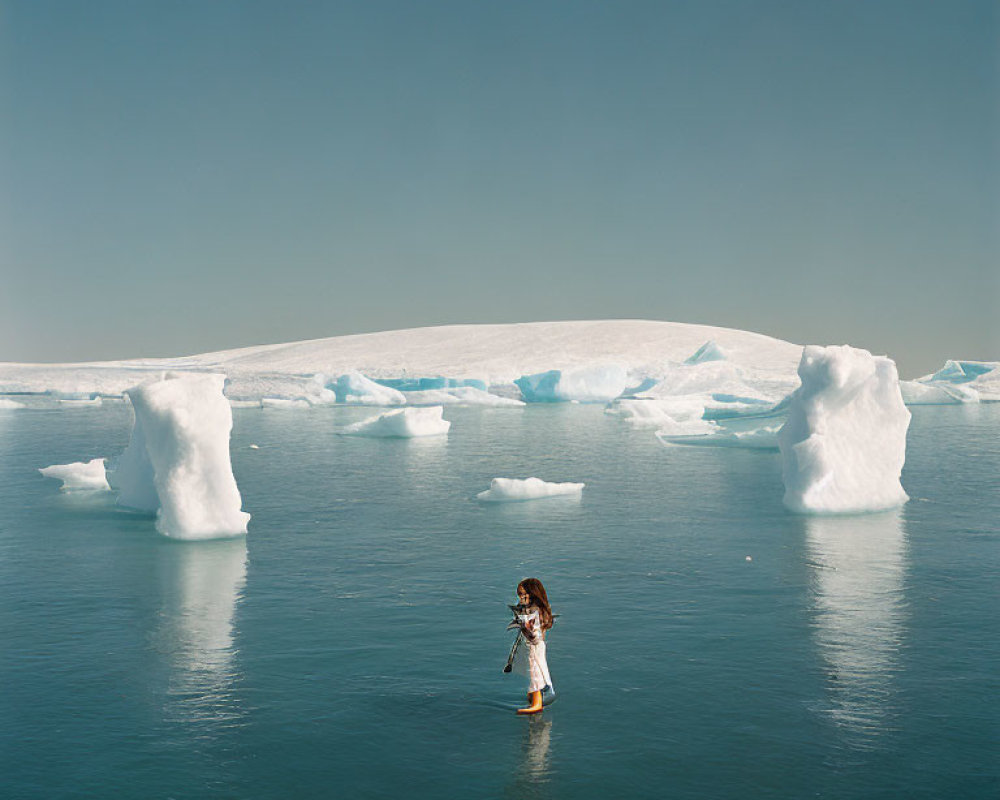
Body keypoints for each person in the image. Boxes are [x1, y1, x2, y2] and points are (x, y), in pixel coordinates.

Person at [513, 578, 554, 715]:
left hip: (534, 645)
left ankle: (537, 703)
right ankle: (533, 696)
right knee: (534, 669)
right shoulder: (536, 609)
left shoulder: (533, 610)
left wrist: (525, 627)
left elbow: (534, 634)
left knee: (535, 671)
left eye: (523, 594)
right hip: (535, 645)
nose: (521, 597)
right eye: (519, 594)